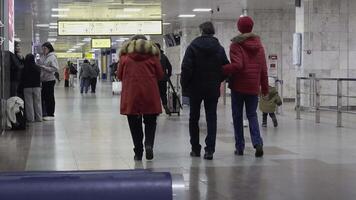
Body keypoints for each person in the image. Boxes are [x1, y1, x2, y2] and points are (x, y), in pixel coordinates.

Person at [181, 21, 230, 160]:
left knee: (194, 118)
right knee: (211, 118)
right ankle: (210, 150)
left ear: (201, 31)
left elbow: (186, 68)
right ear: (212, 32)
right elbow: (226, 67)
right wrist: (218, 79)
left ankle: (195, 148)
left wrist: (184, 84)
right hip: (212, 88)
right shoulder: (219, 48)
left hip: (195, 88)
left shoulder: (192, 47)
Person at [223, 16, 269, 157]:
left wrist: (223, 69)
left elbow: (238, 65)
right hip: (253, 86)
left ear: (239, 28)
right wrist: (265, 88)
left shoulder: (236, 45)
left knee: (237, 116)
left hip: (238, 86)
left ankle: (240, 147)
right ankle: (258, 143)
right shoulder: (259, 46)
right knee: (252, 115)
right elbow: (263, 69)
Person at [117, 35, 163, 161]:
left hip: (131, 95)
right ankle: (148, 144)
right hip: (150, 94)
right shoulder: (153, 58)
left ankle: (138, 152)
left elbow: (119, 76)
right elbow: (160, 75)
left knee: (134, 124)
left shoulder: (125, 58)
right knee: (150, 122)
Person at [40, 42, 59, 121]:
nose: (43, 50)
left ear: (49, 49)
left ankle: (51, 113)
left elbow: (55, 68)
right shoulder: (44, 57)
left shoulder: (52, 57)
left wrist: (45, 68)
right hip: (43, 80)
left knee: (49, 97)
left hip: (50, 80)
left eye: (45, 49)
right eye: (43, 49)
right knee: (43, 97)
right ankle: (45, 113)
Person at [22, 54, 42, 122]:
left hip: (27, 87)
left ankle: (31, 119)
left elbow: (22, 78)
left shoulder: (24, 68)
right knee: (38, 103)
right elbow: (40, 78)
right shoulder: (37, 68)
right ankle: (39, 118)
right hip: (36, 87)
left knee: (29, 104)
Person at [155, 43, 173, 114]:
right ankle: (165, 105)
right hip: (163, 78)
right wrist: (168, 75)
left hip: (154, 79)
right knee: (163, 93)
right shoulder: (164, 56)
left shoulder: (152, 57)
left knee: (155, 94)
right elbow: (169, 66)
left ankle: (157, 109)